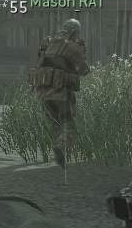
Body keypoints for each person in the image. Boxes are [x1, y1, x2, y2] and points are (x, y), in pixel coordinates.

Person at [29, 18, 90, 167]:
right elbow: (84, 70)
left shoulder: (48, 42)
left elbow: (41, 61)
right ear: (74, 32)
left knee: (55, 123)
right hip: (60, 91)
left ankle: (57, 154)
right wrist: (81, 51)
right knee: (69, 125)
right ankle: (60, 148)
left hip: (43, 91)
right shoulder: (72, 46)